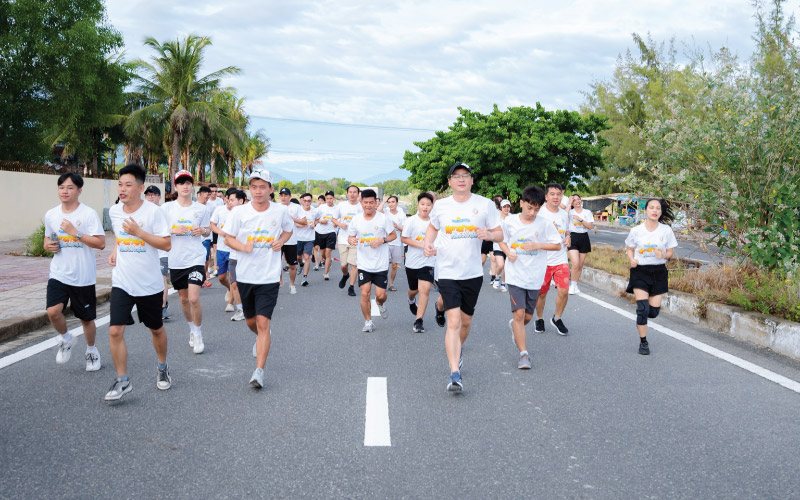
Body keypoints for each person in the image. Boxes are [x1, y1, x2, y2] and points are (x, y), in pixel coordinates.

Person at [423, 162, 502, 392]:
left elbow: (500, 232)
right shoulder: (441, 207)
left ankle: (458, 349)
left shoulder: (485, 204)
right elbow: (433, 228)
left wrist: (489, 234)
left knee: (466, 322)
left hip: (473, 273)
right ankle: (454, 372)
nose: (461, 179)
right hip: (447, 271)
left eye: (465, 175)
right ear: (450, 181)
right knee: (454, 321)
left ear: (471, 180)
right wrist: (428, 243)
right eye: (456, 176)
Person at [105, 164, 172, 401]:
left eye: (128, 185)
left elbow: (166, 244)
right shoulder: (115, 211)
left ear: (141, 188)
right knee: (114, 331)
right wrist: (115, 249)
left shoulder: (153, 212)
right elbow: (119, 235)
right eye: (120, 184)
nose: (122, 189)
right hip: (122, 281)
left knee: (156, 329)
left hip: (149, 284)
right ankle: (123, 380)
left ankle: (162, 368)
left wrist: (139, 232)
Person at [224, 170, 294, 388]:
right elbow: (228, 238)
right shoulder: (239, 212)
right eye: (254, 187)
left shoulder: (280, 211)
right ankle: (263, 336)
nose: (258, 191)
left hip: (269, 276)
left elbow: (288, 231)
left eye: (262, 186)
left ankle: (259, 371)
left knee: (263, 323)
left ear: (271, 189)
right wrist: (243, 247)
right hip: (245, 275)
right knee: (251, 322)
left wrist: (280, 241)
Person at [44, 172, 106, 371]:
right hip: (59, 272)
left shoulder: (88, 214)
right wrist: (48, 247)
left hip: (83, 276)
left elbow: (101, 243)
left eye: (70, 188)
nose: (65, 191)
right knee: (53, 311)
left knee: (86, 319)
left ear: (79, 191)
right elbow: (47, 240)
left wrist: (75, 233)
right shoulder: (51, 214)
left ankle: (91, 351)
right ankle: (65, 338)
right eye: (61, 187)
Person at [498, 185, 561, 369]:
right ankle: (523, 354)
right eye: (529, 207)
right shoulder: (510, 222)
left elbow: (557, 245)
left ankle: (516, 327)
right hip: (515, 276)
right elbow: (500, 239)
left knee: (527, 317)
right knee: (519, 314)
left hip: (534, 276)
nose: (532, 212)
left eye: (536, 209)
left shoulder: (544, 224)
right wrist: (508, 252)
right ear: (522, 203)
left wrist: (537, 245)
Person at [160, 170, 211, 354]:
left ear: (192, 186)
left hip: (196, 257)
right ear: (175, 186)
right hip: (176, 260)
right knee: (183, 299)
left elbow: (208, 230)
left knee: (193, 297)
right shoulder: (166, 209)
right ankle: (191, 328)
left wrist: (202, 232)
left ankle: (198, 333)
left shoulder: (201, 209)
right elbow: (159, 230)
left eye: (188, 182)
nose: (185, 186)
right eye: (181, 183)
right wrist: (174, 230)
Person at [625, 199, 677, 355]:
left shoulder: (666, 230)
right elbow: (630, 249)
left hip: (658, 272)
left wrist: (664, 255)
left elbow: (670, 252)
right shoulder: (636, 230)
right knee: (642, 309)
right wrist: (632, 260)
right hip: (640, 271)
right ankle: (643, 342)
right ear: (645, 210)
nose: (655, 210)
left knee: (653, 312)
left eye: (658, 208)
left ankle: (644, 313)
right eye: (651, 208)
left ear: (660, 212)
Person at [347, 189, 396, 332]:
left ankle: (380, 304)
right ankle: (368, 321)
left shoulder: (383, 218)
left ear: (376, 202)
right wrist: (352, 240)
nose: (368, 205)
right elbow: (350, 237)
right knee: (365, 293)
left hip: (380, 264)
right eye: (365, 202)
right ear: (361, 202)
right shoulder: (356, 219)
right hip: (363, 263)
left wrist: (383, 240)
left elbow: (393, 235)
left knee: (381, 296)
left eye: (371, 202)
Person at [534, 183, 572, 336]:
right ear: (546, 196)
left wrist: (568, 237)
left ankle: (557, 318)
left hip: (560, 259)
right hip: (543, 260)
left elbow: (567, 231)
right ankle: (540, 318)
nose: (556, 197)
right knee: (542, 293)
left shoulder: (564, 214)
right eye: (552, 194)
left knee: (564, 291)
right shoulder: (539, 214)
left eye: (558, 194)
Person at [401, 192, 435, 333]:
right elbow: (404, 238)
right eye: (423, 204)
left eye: (428, 205)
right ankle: (410, 300)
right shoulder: (411, 221)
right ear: (418, 205)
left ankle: (419, 320)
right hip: (412, 262)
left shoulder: (435, 221)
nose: (425, 207)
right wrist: (421, 245)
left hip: (429, 261)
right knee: (413, 290)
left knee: (425, 289)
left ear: (432, 206)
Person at [145, 185, 170, 320]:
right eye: (148, 195)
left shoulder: (163, 211)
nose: (150, 197)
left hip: (161, 253)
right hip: (145, 253)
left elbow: (170, 230)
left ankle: (162, 307)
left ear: (159, 197)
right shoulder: (141, 212)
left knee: (162, 279)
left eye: (153, 194)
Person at [334, 185, 362, 297]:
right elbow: (333, 219)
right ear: (347, 193)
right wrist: (340, 224)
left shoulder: (361, 207)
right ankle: (345, 275)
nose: (352, 194)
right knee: (344, 265)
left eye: (354, 192)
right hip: (342, 239)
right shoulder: (341, 205)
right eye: (350, 192)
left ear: (358, 194)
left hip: (356, 240)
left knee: (354, 265)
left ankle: (351, 287)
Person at [278, 187, 306, 294]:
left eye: (286, 195)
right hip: (278, 240)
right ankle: (280, 282)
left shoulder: (296, 207)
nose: (283, 197)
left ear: (290, 196)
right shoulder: (276, 207)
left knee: (292, 265)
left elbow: (304, 221)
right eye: (281, 195)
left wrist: (292, 218)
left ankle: (292, 284)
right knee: (277, 264)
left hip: (292, 240)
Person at [567, 194, 594, 295]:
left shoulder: (587, 212)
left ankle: (575, 285)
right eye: (574, 200)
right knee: (575, 263)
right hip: (573, 237)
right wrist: (569, 203)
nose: (577, 201)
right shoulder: (570, 212)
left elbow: (590, 226)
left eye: (578, 199)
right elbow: (564, 216)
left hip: (584, 237)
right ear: (573, 203)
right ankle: (571, 286)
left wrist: (580, 219)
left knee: (580, 265)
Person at [383, 195, 406, 292]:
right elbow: (378, 210)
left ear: (397, 203)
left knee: (394, 265)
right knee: (385, 264)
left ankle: (391, 283)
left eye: (393, 202)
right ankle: (384, 281)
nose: (391, 204)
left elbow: (405, 229)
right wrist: (383, 201)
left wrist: (397, 226)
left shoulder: (401, 214)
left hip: (396, 243)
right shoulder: (385, 211)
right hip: (386, 242)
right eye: (389, 202)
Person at [314, 190, 338, 279]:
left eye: (331, 198)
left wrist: (336, 223)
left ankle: (326, 273)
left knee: (328, 253)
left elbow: (340, 219)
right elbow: (315, 219)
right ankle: (328, 261)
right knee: (323, 254)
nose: (329, 200)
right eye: (327, 198)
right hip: (320, 232)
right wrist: (320, 221)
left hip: (331, 232)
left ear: (334, 198)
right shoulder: (321, 207)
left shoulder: (337, 208)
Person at [296, 193, 318, 287]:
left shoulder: (315, 210)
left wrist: (315, 224)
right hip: (298, 237)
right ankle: (301, 264)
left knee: (307, 257)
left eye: (309, 200)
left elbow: (318, 218)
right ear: (302, 201)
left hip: (310, 238)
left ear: (311, 201)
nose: (307, 202)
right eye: (305, 201)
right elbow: (294, 223)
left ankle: (304, 278)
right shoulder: (297, 210)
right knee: (298, 257)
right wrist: (303, 225)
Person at [491, 199, 512, 292]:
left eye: (508, 207)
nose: (506, 209)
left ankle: (503, 284)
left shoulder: (513, 218)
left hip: (509, 246)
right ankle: (497, 277)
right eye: (504, 207)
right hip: (498, 245)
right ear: (501, 208)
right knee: (500, 265)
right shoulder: (496, 218)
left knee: (507, 267)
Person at [196, 185, 214, 287]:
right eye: (206, 194)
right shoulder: (194, 206)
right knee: (198, 258)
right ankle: (200, 277)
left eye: (209, 195)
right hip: (196, 237)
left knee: (206, 258)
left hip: (207, 236)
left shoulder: (210, 207)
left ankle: (204, 276)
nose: (208, 197)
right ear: (201, 194)